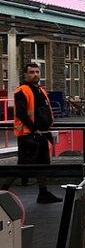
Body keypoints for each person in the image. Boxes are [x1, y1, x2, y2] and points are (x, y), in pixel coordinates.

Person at [4, 63, 59, 204]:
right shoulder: (22, 90)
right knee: (23, 165)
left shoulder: (40, 90)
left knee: (43, 163)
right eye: (31, 72)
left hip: (40, 133)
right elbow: (22, 113)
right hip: (28, 134)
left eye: (37, 72)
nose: (35, 74)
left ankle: (43, 193)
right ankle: (3, 189)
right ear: (25, 74)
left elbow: (43, 110)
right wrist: (35, 128)